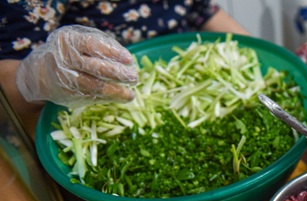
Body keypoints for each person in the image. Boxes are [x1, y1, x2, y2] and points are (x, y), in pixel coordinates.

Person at [0, 0, 249, 135]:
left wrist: (263, 55)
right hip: (98, 110)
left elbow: (200, 10)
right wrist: (38, 76)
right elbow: (7, 87)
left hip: (186, 77)